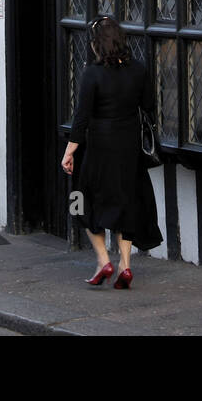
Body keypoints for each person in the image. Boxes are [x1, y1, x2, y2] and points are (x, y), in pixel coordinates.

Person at [61, 16, 162, 288]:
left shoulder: (92, 74)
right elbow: (149, 107)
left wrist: (69, 151)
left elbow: (81, 119)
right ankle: (125, 266)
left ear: (97, 45)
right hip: (129, 145)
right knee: (125, 202)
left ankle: (104, 260)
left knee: (87, 203)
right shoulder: (139, 70)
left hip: (99, 146)